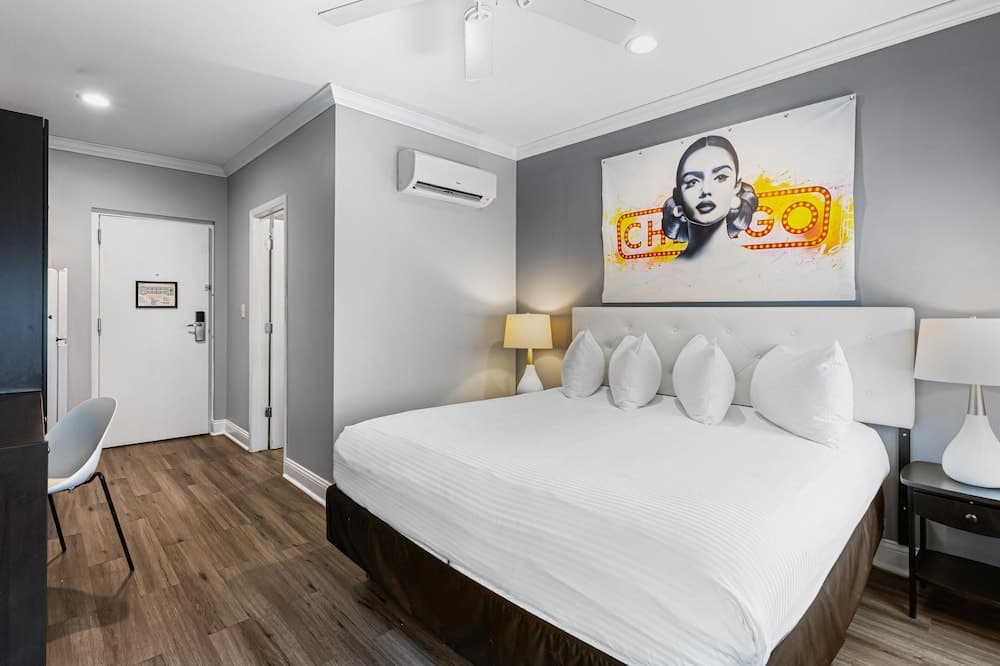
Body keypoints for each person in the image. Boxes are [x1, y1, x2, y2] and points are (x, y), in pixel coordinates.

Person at [661, 135, 758, 259]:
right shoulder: (662, 271)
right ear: (678, 195)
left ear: (736, 186)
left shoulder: (761, 266)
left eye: (721, 177)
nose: (706, 191)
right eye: (693, 182)